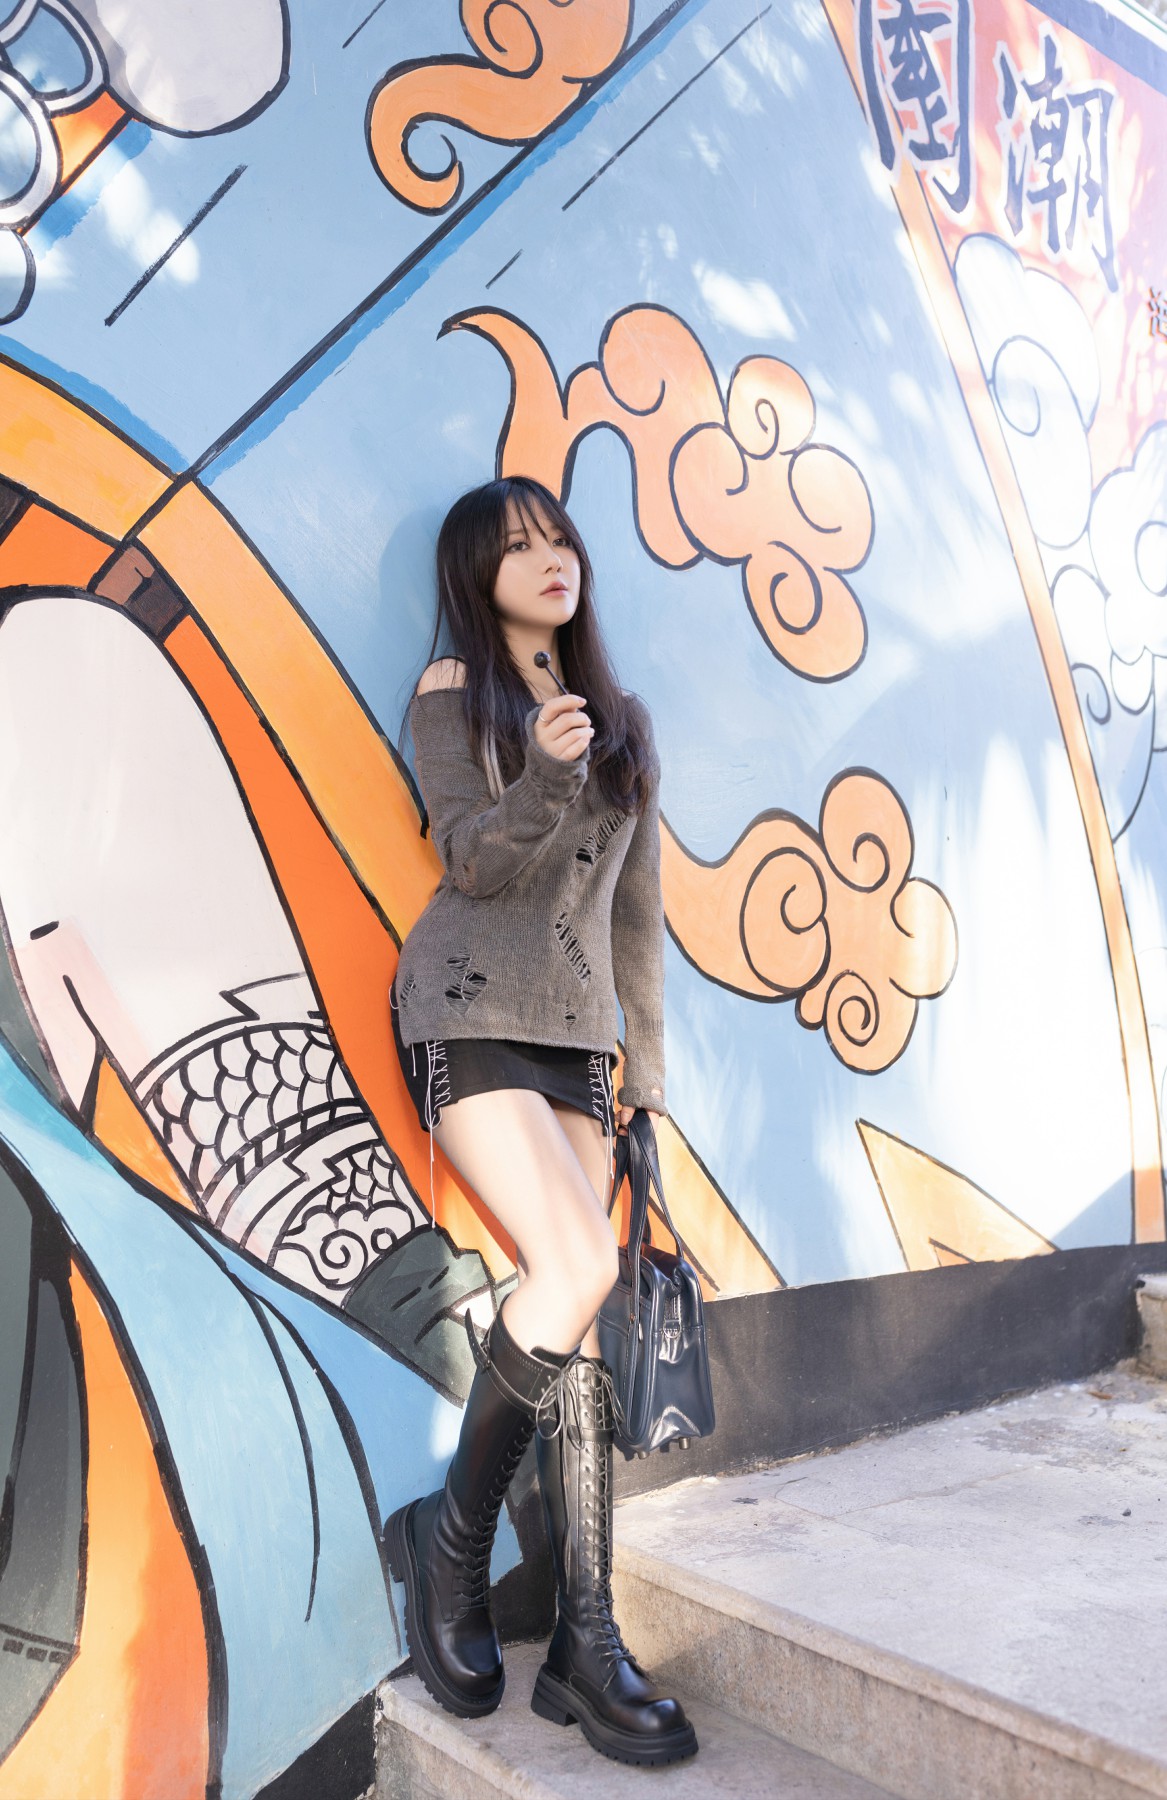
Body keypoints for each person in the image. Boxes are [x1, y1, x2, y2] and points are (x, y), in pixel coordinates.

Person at [384, 476, 697, 1767]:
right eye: (517, 545)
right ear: (479, 573)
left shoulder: (623, 722)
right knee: (572, 1270)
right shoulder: (454, 694)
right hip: (466, 1004)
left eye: (558, 536)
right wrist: (548, 776)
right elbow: (469, 860)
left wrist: (647, 1090)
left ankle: (585, 1637)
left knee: (580, 1305)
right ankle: (451, 1542)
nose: (548, 556)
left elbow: (637, 921)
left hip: (577, 1041)